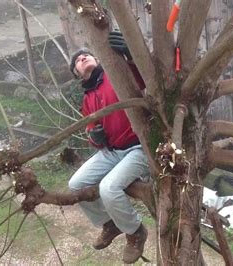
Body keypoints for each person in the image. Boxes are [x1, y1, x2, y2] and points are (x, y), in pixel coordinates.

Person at [68, 32, 149, 264]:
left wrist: (132, 55)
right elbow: (93, 135)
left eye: (85, 55)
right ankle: (110, 223)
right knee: (76, 184)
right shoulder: (87, 100)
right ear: (77, 75)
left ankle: (135, 232)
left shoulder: (117, 73)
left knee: (109, 187)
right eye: (77, 61)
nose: (82, 57)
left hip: (137, 147)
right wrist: (95, 137)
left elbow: (146, 77)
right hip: (111, 151)